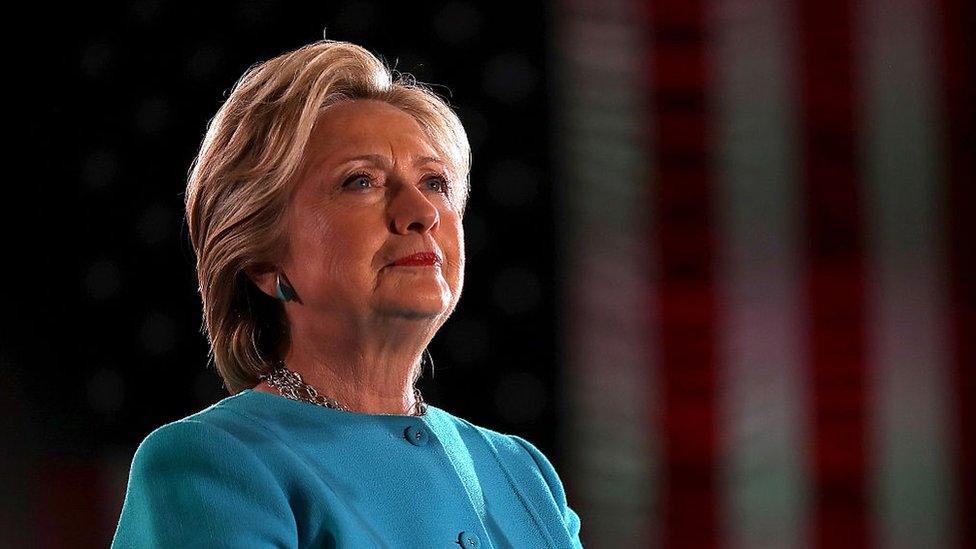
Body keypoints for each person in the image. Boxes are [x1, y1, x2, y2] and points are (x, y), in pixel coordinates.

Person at [111, 39, 584, 548]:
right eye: (361, 181)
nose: (421, 212)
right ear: (261, 259)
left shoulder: (522, 474)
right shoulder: (213, 462)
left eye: (435, 183)